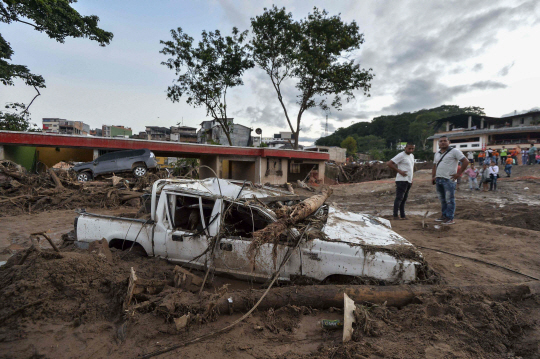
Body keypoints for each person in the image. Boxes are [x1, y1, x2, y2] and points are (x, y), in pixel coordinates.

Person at [432, 136, 469, 225]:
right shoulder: (437, 153)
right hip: (439, 179)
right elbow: (434, 165)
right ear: (438, 143)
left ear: (449, 142)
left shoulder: (455, 151)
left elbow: (465, 161)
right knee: (442, 199)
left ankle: (450, 218)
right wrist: (433, 176)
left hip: (449, 180)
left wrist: (458, 174)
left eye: (445, 141)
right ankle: (444, 216)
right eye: (441, 141)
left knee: (449, 200)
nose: (443, 142)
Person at [387, 143, 415, 220]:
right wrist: (399, 171)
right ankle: (395, 215)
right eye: (409, 148)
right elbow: (389, 163)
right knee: (399, 198)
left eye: (412, 149)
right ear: (405, 148)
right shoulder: (401, 155)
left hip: (408, 180)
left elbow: (411, 168)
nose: (411, 150)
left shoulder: (411, 156)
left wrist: (411, 179)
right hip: (401, 180)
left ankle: (403, 215)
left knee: (404, 198)